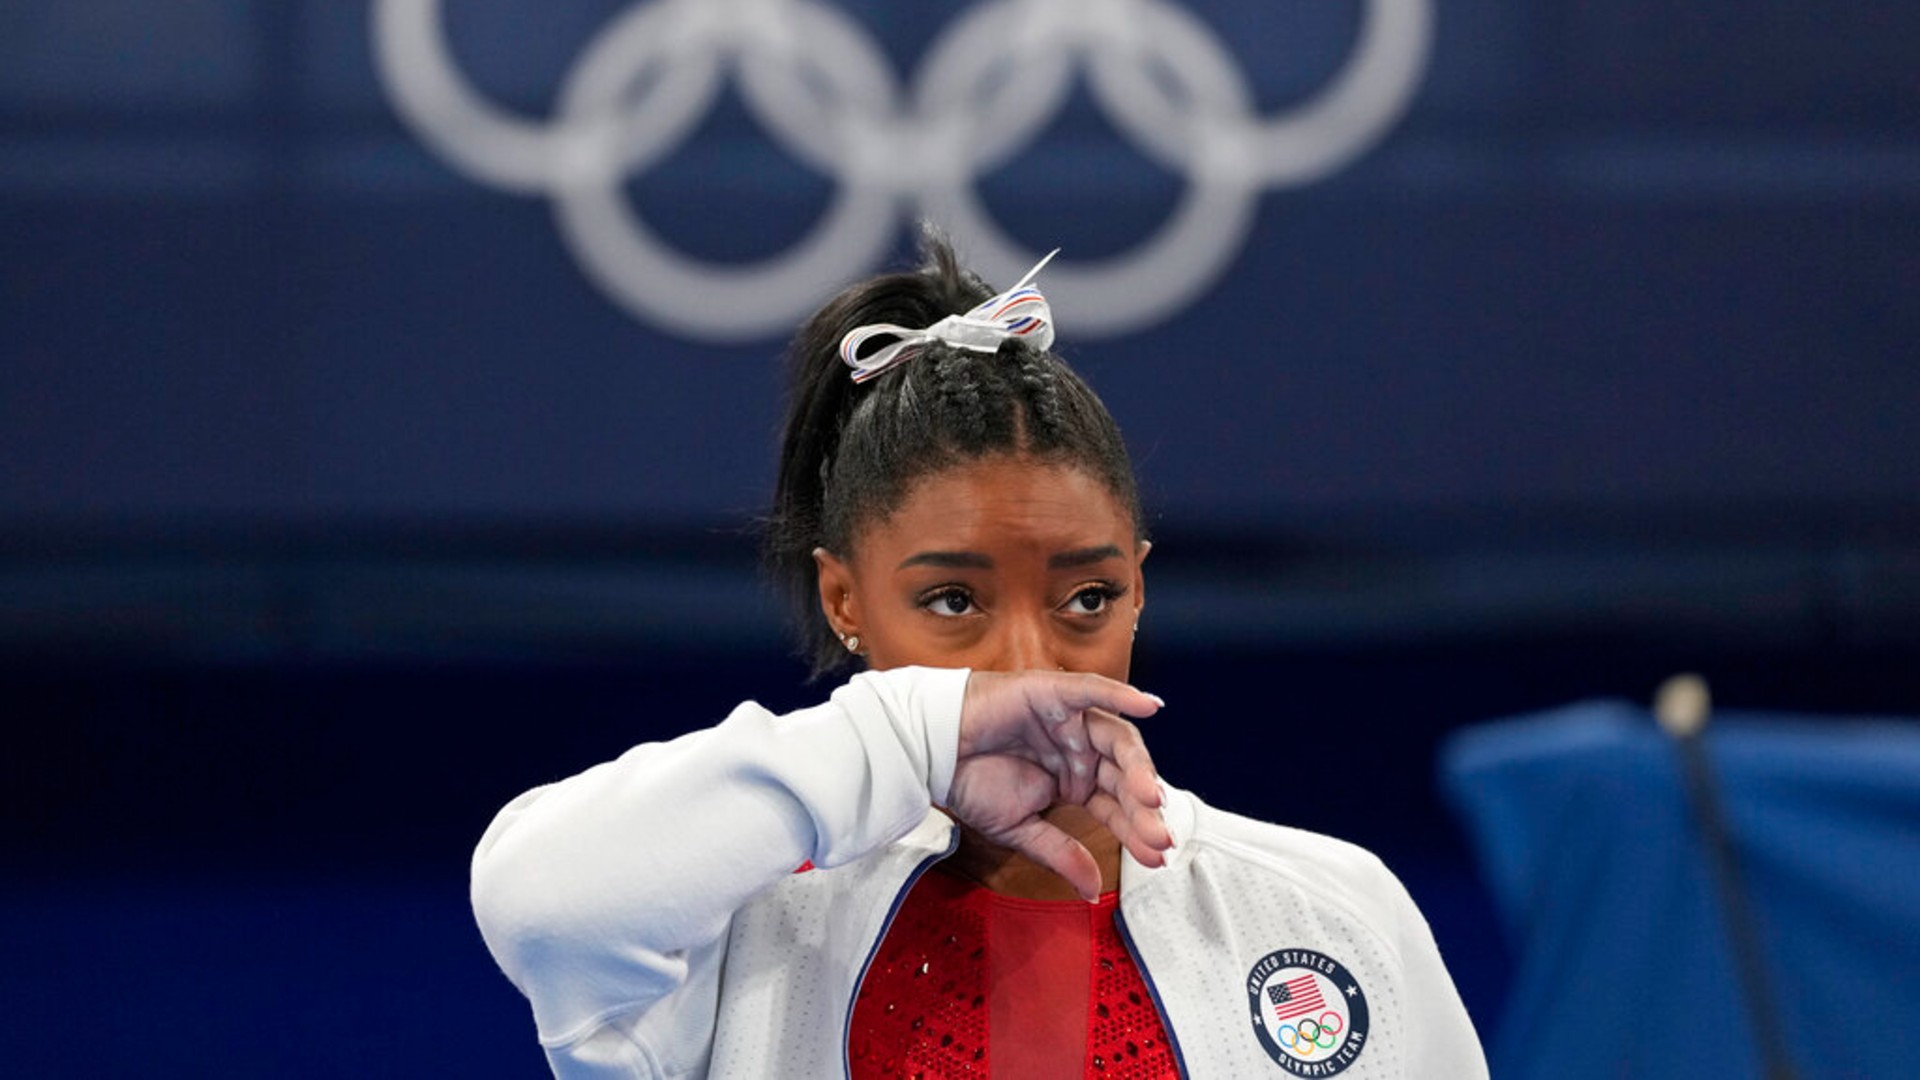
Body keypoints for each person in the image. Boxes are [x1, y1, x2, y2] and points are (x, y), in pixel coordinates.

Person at [471, 234, 1487, 1078]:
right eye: (953, 601)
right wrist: (907, 733)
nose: (1030, 664)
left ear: (1140, 585)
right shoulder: (741, 924)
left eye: (1088, 596)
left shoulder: (1334, 910)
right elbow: (537, 905)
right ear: (844, 600)